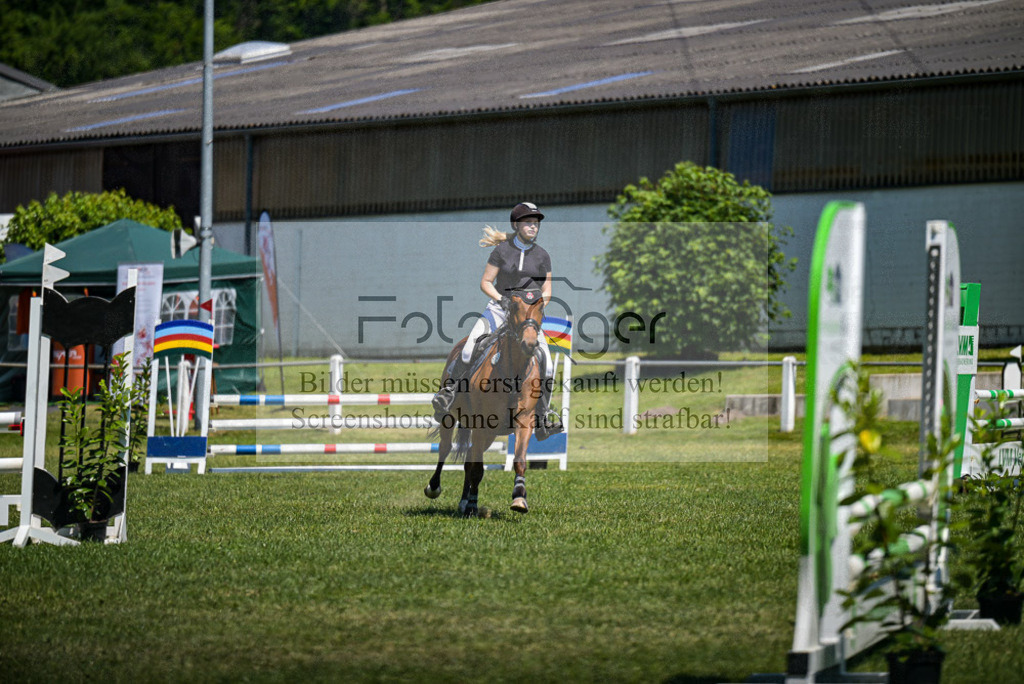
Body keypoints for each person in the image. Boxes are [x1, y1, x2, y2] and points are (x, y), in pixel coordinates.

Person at [432, 201, 564, 440]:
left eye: (536, 223)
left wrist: (536, 307)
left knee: (547, 364)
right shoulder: (502, 251)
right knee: (469, 348)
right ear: (516, 225)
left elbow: (547, 290)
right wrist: (501, 300)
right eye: (528, 223)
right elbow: (485, 282)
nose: (533, 227)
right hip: (498, 310)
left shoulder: (543, 255)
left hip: (527, 317)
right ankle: (449, 393)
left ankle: (543, 416)